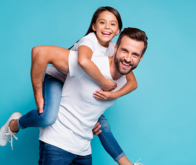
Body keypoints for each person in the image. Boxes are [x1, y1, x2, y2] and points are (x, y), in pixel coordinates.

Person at [0, 7, 146, 165]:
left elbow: (132, 81)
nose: (129, 58)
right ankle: (15, 124)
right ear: (93, 26)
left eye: (135, 55)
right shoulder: (88, 49)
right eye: (102, 22)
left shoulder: (119, 60)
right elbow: (74, 60)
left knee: (102, 126)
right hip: (56, 80)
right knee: (48, 116)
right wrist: (38, 94)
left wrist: (113, 95)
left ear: (117, 30)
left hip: (82, 147)